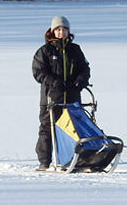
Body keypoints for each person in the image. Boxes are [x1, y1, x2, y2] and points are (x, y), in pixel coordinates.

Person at [31, 16, 90, 171]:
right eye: (58, 29)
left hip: (71, 96)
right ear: (52, 31)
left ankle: (73, 159)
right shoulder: (45, 51)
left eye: (64, 29)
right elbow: (39, 72)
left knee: (73, 128)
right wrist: (56, 82)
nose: (61, 32)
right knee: (47, 128)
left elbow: (84, 69)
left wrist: (80, 81)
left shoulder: (75, 50)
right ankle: (44, 162)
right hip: (51, 97)